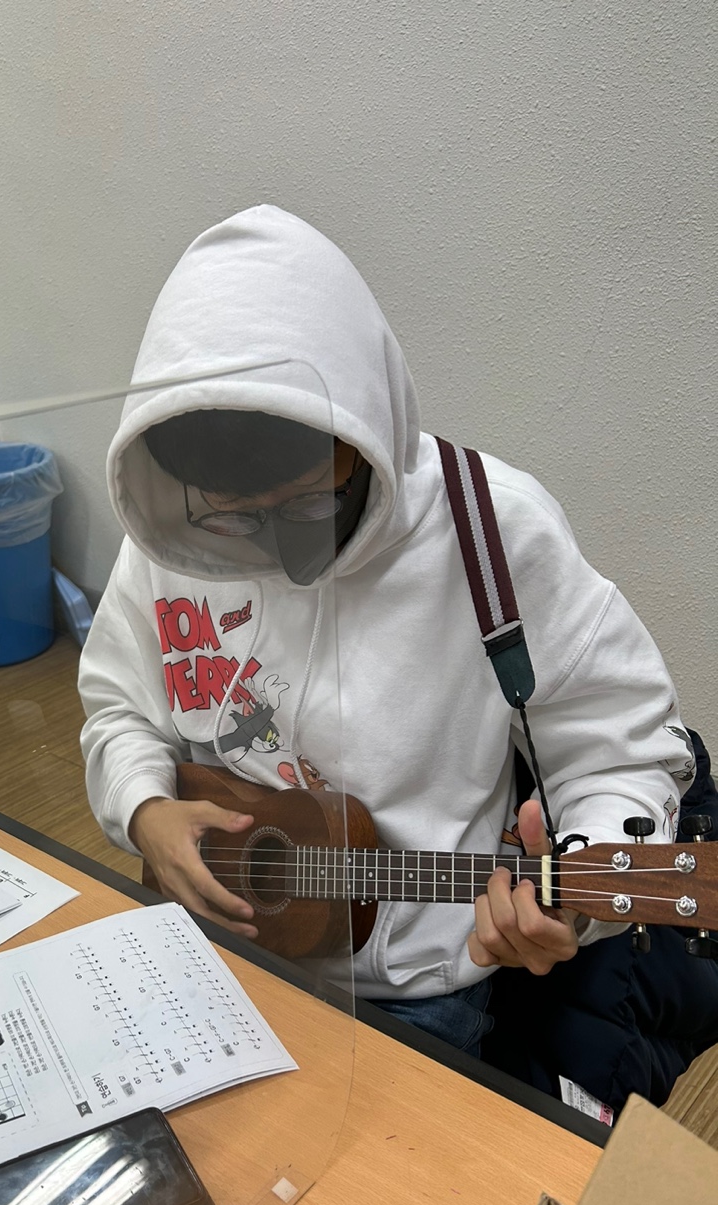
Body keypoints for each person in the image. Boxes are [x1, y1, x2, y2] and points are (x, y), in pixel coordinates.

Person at [78, 205, 694, 1056]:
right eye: (237, 516)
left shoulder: (493, 532)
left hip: (416, 988)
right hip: (218, 932)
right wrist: (143, 810)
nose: (281, 548)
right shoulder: (173, 535)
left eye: (310, 503)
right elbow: (118, 710)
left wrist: (571, 905)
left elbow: (618, 753)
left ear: (368, 427)